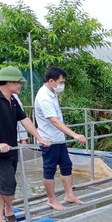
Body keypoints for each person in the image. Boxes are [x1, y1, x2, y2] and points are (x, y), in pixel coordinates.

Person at [0, 66, 50, 222]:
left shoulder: (12, 99)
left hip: (11, 148)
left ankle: (2, 215)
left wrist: (39, 138)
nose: (20, 86)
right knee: (7, 185)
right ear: (9, 82)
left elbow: (24, 119)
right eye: (19, 83)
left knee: (2, 184)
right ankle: (5, 212)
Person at [34, 66, 87, 210]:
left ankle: (69, 195)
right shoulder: (44, 97)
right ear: (51, 81)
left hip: (59, 138)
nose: (62, 85)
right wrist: (75, 135)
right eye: (61, 82)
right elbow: (54, 120)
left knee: (66, 165)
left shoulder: (52, 93)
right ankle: (51, 199)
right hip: (48, 140)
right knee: (49, 169)